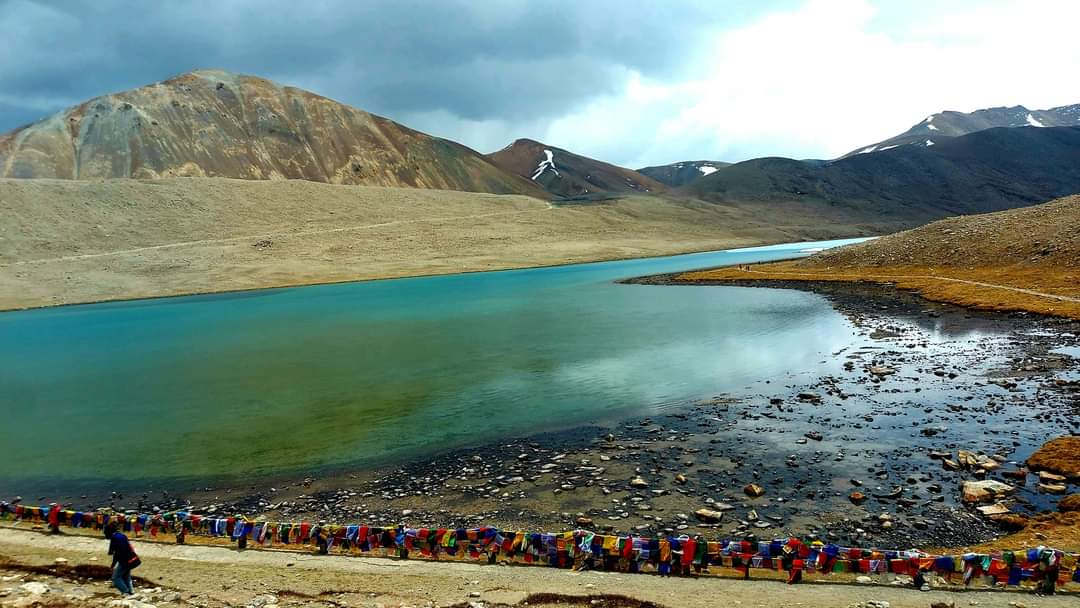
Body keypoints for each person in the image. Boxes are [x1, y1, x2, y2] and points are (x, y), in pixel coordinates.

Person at [105, 521, 140, 595]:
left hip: (124, 560)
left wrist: (113, 565)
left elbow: (114, 553)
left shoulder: (114, 538)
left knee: (115, 578)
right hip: (132, 558)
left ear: (109, 531)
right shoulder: (122, 535)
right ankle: (131, 592)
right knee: (126, 576)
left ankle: (125, 592)